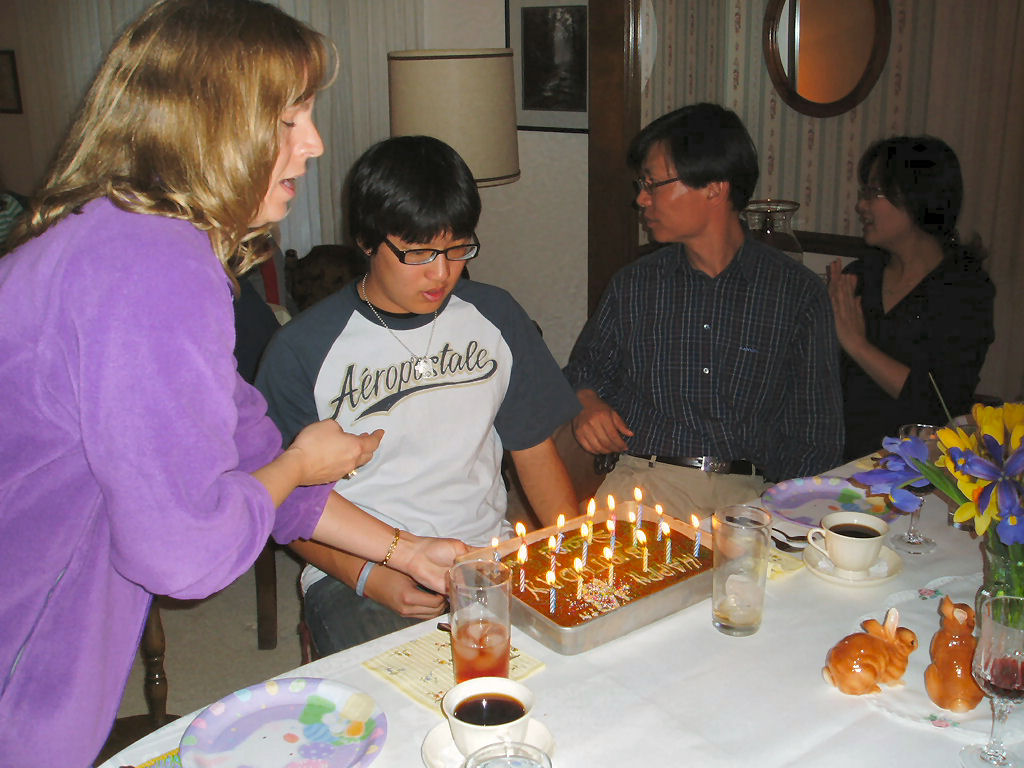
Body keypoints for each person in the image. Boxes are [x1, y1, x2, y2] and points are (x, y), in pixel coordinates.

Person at [0, 3, 465, 766]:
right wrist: (301, 464)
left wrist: (406, 551)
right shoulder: (153, 266)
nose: (313, 144)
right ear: (206, 123)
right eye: (288, 119)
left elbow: (252, 450)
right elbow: (184, 554)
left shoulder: (122, 234)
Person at [256, 135, 580, 655]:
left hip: (486, 556)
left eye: (457, 249)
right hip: (358, 568)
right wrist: (369, 576)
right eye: (419, 252)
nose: (442, 272)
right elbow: (281, 502)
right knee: (405, 691)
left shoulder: (496, 317)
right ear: (366, 240)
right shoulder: (302, 350)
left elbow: (535, 452)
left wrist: (574, 552)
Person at [564, 102, 844, 517]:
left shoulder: (795, 292)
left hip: (750, 496)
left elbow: (816, 435)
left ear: (714, 187)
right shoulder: (636, 284)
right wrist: (586, 402)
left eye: (653, 184)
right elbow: (582, 371)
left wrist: (786, 516)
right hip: (644, 482)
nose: (641, 199)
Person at [828, 136, 995, 460]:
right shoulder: (860, 276)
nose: (861, 206)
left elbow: (939, 404)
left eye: (873, 193)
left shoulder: (964, 289)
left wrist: (858, 345)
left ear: (917, 197)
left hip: (918, 469)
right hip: (840, 464)